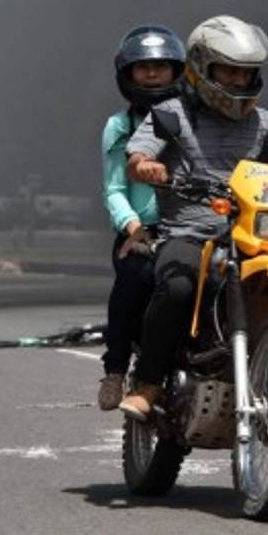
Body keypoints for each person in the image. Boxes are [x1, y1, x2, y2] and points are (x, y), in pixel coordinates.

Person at [119, 15, 268, 420]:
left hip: (251, 233)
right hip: (190, 234)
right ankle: (149, 384)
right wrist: (145, 166)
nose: (236, 81)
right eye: (228, 71)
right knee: (177, 289)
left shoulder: (262, 122)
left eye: (245, 73)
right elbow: (138, 155)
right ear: (201, 67)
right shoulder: (172, 113)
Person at [98, 24, 187, 411]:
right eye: (142, 66)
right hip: (142, 230)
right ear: (127, 74)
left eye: (161, 65)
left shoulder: (194, 118)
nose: (152, 73)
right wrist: (133, 227)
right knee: (134, 279)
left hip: (190, 227)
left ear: (177, 70)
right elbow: (114, 189)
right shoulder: (120, 126)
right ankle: (116, 368)